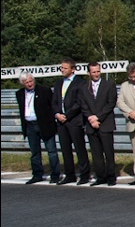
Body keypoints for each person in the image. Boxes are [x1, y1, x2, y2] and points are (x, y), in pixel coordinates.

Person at [16, 72, 60, 184]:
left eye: (31, 81)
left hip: (44, 125)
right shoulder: (19, 94)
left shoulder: (44, 91)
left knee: (51, 151)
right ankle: (37, 174)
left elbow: (52, 106)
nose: (29, 84)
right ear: (22, 83)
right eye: (26, 82)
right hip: (29, 125)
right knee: (34, 152)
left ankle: (55, 175)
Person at [52, 57, 90, 185]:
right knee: (65, 149)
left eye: (65, 68)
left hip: (74, 120)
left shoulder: (80, 83)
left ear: (73, 69)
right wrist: (57, 114)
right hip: (61, 121)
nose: (62, 70)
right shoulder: (59, 83)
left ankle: (84, 174)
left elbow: (79, 102)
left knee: (79, 148)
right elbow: (54, 101)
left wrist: (67, 115)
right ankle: (70, 174)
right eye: (61, 68)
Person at [79, 61, 118, 186]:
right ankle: (100, 176)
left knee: (108, 152)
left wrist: (98, 117)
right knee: (96, 153)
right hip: (91, 124)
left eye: (98, 71)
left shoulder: (109, 85)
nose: (96, 74)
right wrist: (91, 118)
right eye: (93, 72)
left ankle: (111, 176)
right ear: (89, 73)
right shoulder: (84, 87)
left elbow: (111, 103)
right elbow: (83, 105)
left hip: (105, 123)